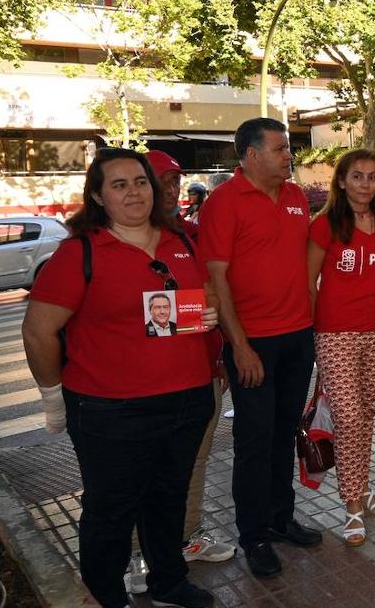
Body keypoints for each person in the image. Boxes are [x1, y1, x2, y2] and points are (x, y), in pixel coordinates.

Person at [20, 148, 219, 608]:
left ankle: (168, 582)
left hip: (187, 399)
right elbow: (38, 330)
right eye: (120, 184)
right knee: (111, 512)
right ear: (98, 196)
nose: (135, 192)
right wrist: (54, 397)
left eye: (141, 182)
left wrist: (204, 315)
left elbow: (192, 304)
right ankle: (106, 596)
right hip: (112, 410)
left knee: (167, 499)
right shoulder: (81, 253)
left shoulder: (181, 242)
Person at [199, 118, 321, 577]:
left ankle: (280, 518)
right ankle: (253, 536)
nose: (290, 156)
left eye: (288, 149)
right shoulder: (224, 203)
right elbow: (216, 279)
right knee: (254, 441)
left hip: (297, 336)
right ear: (251, 155)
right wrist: (240, 346)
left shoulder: (293, 197)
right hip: (254, 343)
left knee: (284, 432)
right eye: (281, 149)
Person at [137, 150, 234, 588]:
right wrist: (199, 310)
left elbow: (213, 294)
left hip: (203, 373)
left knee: (194, 463)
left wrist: (223, 353)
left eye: (176, 181)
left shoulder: (192, 235)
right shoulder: (118, 241)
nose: (172, 189)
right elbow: (144, 315)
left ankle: (185, 538)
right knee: (145, 471)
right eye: (162, 181)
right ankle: (140, 558)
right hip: (142, 386)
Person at [308, 149, 375, 545]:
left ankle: (361, 488)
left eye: (372, 177)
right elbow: (309, 283)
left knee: (365, 417)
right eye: (356, 176)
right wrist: (313, 334)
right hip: (336, 333)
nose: (365, 184)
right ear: (341, 181)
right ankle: (353, 506)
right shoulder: (325, 225)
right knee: (347, 418)